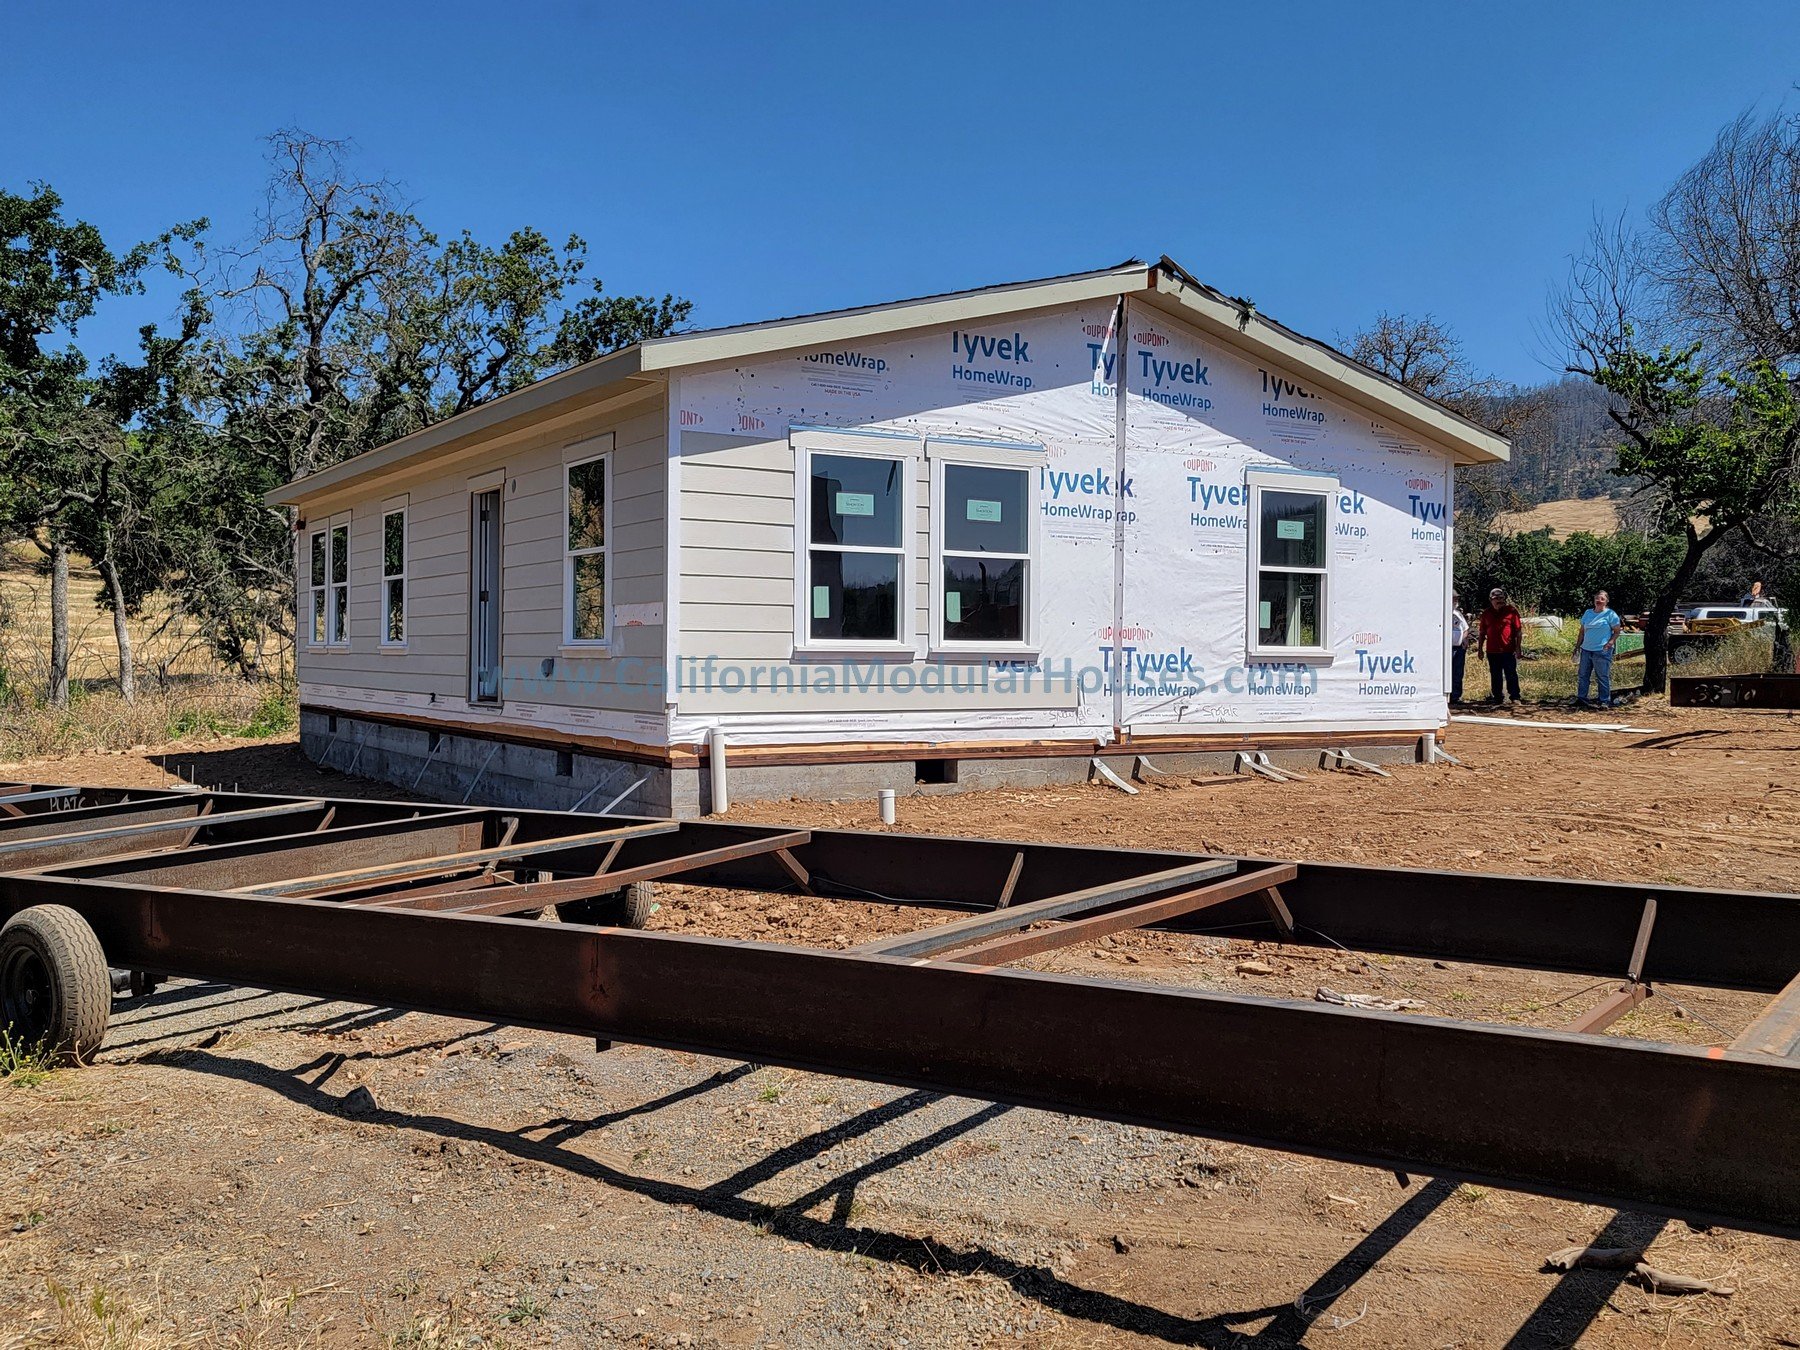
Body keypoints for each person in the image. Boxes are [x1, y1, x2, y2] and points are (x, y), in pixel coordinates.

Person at [1476, 587, 1523, 704]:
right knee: (1495, 674)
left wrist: (1518, 647)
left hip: (1508, 649)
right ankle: (1497, 697)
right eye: (1496, 598)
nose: (1499, 601)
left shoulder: (1511, 611)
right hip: (1492, 650)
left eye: (1501, 598)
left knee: (1511, 673)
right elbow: (1482, 633)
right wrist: (1480, 649)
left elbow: (1518, 631)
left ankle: (1515, 696)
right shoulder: (1486, 614)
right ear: (1491, 600)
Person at [1576, 589, 1622, 708]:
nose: (1599, 600)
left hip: (1601, 650)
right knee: (1583, 675)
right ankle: (1582, 699)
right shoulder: (1588, 613)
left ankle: (1604, 700)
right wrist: (1577, 646)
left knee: (1602, 676)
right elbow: (1582, 632)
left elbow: (1617, 631)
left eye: (1602, 599)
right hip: (1586, 649)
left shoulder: (1610, 614)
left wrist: (1610, 643)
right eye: (1597, 598)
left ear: (1606, 601)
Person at [1448, 593, 1470, 704]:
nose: (1456, 601)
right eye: (1454, 598)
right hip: (1446, 649)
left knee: (1458, 673)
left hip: (1458, 648)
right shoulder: (1441, 612)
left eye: (1457, 598)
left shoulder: (1458, 614)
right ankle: (1446, 696)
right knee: (1447, 672)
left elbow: (1465, 628)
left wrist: (1465, 639)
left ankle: (1455, 697)